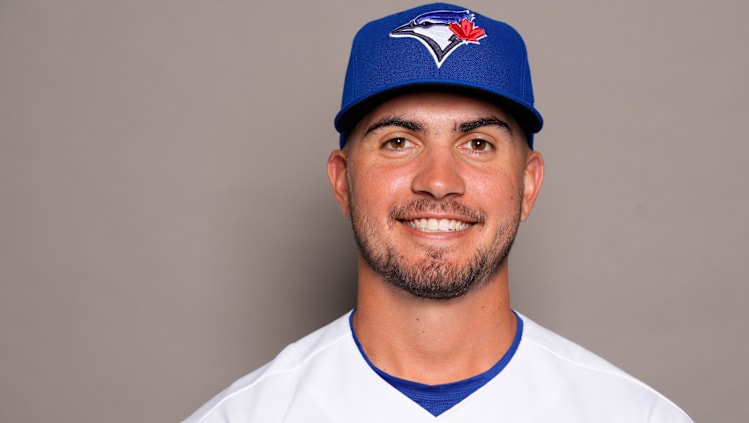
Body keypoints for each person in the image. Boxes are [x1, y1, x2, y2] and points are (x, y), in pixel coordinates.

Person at [183, 3, 693, 422]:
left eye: (477, 143)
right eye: (399, 141)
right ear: (342, 181)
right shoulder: (242, 417)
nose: (439, 182)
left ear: (529, 184)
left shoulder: (635, 416)